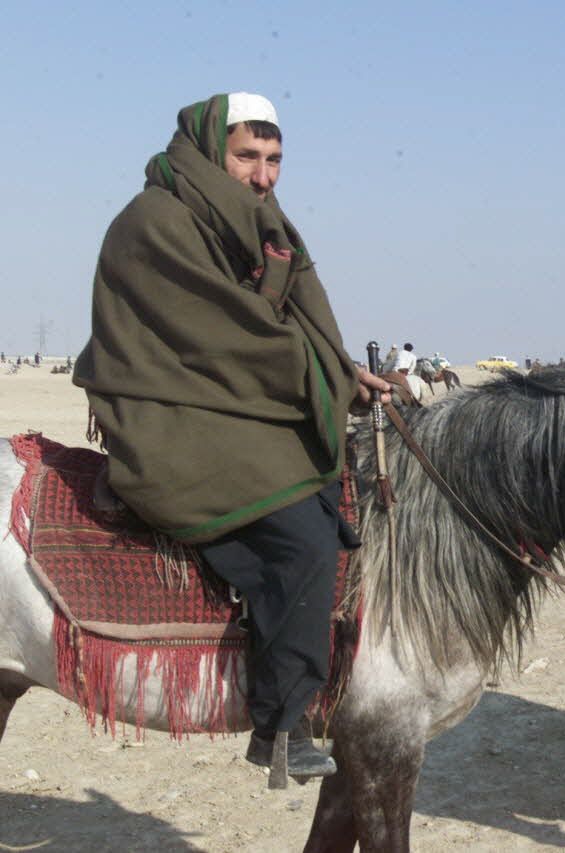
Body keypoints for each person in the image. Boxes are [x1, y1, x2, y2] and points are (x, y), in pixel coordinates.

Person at [72, 92, 390, 780]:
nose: (265, 174)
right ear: (211, 149)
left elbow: (299, 318)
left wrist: (341, 368)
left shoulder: (265, 224)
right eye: (249, 156)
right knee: (302, 535)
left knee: (328, 492)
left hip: (227, 401)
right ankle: (281, 724)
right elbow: (224, 334)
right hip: (167, 410)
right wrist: (318, 374)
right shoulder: (155, 221)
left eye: (275, 159)